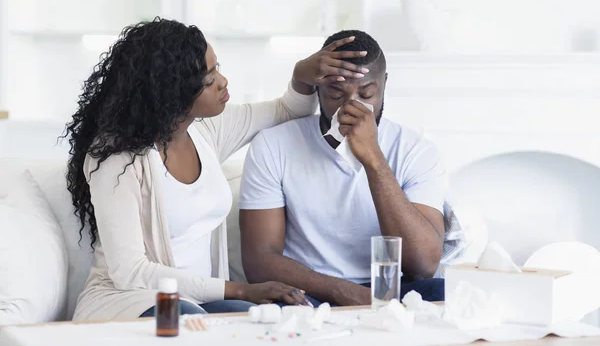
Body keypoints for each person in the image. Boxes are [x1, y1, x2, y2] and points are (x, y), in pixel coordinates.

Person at [64, 18, 370, 321]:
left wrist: (302, 75)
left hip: (198, 303)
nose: (223, 82)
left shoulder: (206, 130)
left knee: (260, 322)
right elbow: (129, 272)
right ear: (172, 91)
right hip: (128, 300)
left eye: (217, 68)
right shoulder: (117, 159)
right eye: (209, 79)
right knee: (192, 319)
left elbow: (287, 111)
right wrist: (238, 290)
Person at [239, 30, 447, 307]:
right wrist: (341, 291)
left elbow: (422, 265)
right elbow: (259, 260)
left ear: (384, 84)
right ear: (318, 88)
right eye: (336, 93)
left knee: (442, 292)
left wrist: (374, 160)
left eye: (366, 93)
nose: (351, 107)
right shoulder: (274, 144)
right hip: (309, 290)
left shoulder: (416, 151)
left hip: (389, 287)